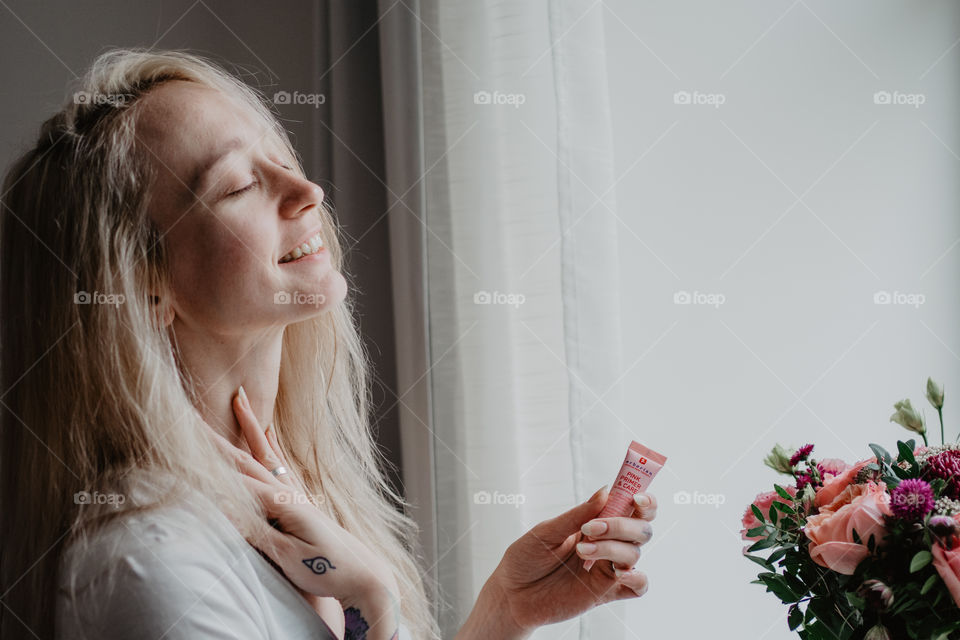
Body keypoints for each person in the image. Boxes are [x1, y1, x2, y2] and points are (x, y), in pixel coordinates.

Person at [0, 48, 656, 640]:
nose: (306, 192)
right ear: (145, 287)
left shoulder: (292, 500)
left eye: (281, 158)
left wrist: (504, 612)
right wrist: (374, 605)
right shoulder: (148, 564)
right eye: (236, 186)